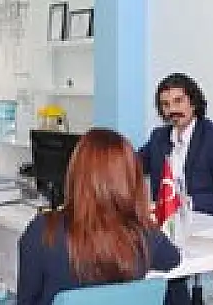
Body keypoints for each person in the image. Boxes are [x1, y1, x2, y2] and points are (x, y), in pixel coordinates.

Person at [17, 128, 183, 305]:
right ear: (130, 179)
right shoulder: (143, 233)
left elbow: (26, 299)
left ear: (75, 173)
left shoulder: (43, 231)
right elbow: (172, 259)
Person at [140, 73, 213, 216]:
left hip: (200, 217)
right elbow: (132, 167)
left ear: (193, 103)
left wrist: (187, 203)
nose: (172, 110)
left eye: (178, 101)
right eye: (166, 104)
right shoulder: (159, 137)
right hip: (163, 219)